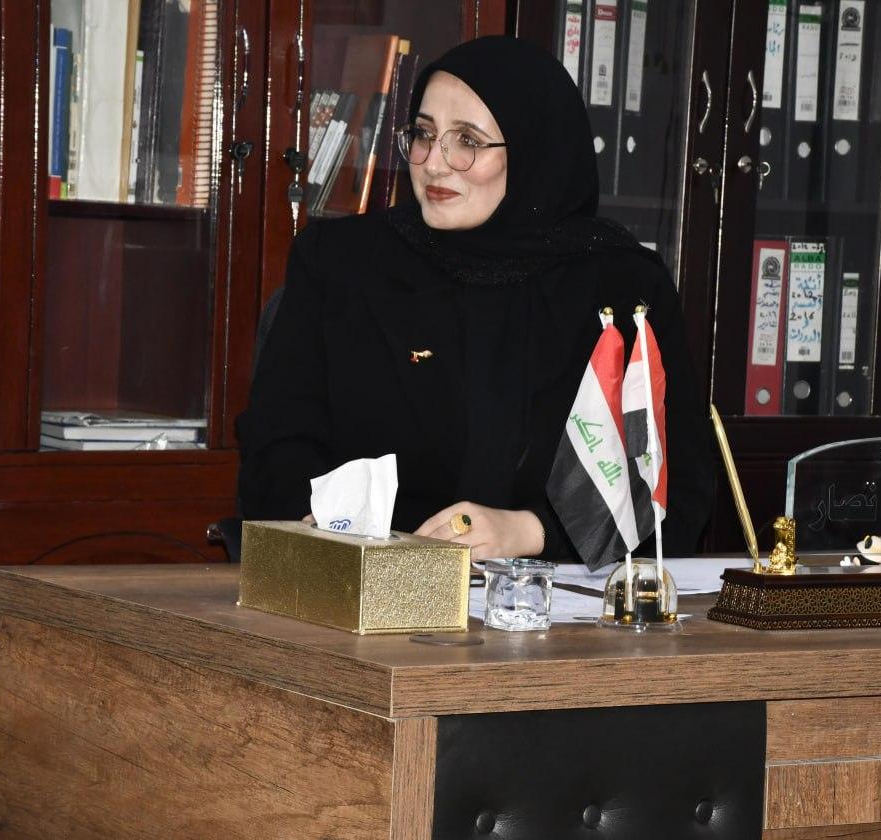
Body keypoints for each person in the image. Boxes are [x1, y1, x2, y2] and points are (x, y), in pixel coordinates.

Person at [237, 36, 716, 561]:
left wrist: (530, 532)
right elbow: (276, 449)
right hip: (365, 575)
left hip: (548, 594)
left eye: (467, 140)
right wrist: (333, 525)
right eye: (423, 134)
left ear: (534, 149)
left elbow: (676, 489)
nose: (434, 164)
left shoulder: (621, 287)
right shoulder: (342, 264)